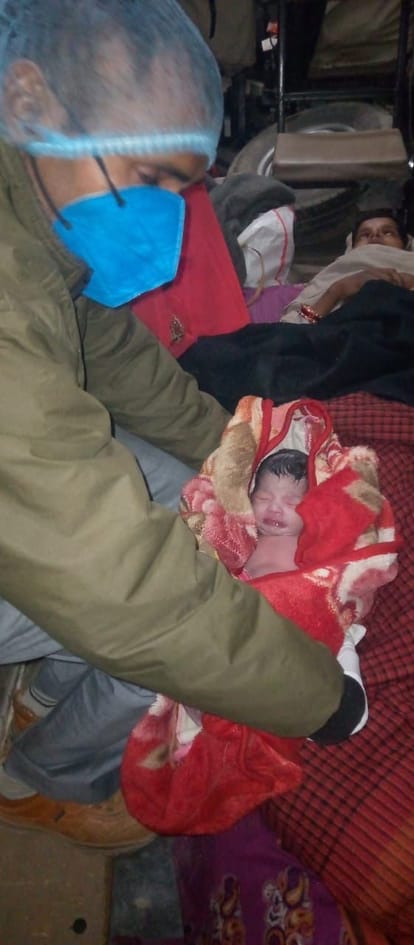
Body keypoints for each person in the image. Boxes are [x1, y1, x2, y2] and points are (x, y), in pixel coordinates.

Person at [0, 0, 360, 851]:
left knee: (191, 505)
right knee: (180, 580)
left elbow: (111, 351)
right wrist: (324, 699)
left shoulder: (32, 209)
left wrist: (231, 454)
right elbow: (125, 589)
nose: (167, 217)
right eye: (148, 176)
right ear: (28, 98)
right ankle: (39, 778)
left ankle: (39, 697)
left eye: (182, 188)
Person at [281, 208, 414, 324]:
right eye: (365, 235)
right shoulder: (329, 278)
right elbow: (292, 328)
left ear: (405, 245)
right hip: (337, 338)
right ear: (352, 247)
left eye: (388, 232)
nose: (375, 236)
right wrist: (336, 291)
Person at [243, 449, 307, 578]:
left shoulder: (309, 542)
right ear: (251, 497)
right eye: (263, 498)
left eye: (290, 503)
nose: (274, 508)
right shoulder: (244, 534)